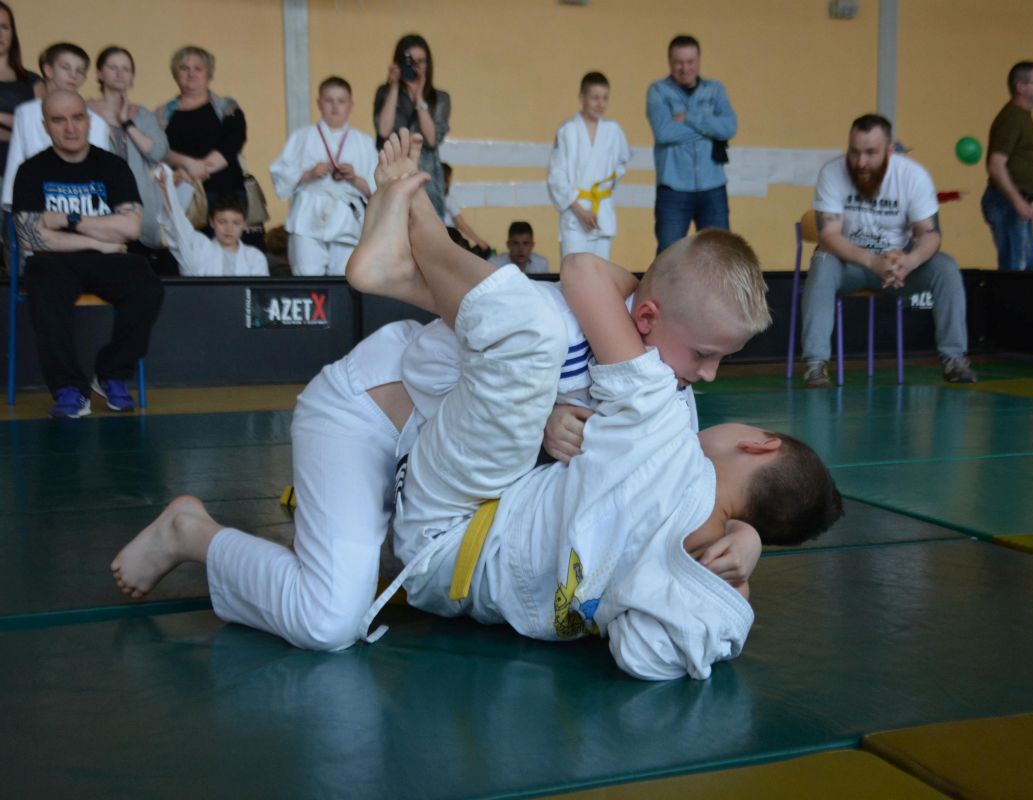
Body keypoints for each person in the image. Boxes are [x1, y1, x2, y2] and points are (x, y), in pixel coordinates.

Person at [111, 131, 842, 680]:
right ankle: (410, 236)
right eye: (704, 353)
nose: (707, 376)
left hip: (446, 486)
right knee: (530, 331)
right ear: (646, 317)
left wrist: (747, 538)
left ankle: (191, 532)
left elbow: (678, 511)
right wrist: (543, 412)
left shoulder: (669, 412)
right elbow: (577, 281)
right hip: (369, 418)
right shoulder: (573, 326)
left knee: (332, 621)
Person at [11, 90, 163, 417]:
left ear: (88, 121)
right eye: (59, 120)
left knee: (146, 283)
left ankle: (111, 373)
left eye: (77, 118)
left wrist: (65, 220)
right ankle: (69, 388)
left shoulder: (112, 166)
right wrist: (98, 241)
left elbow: (130, 228)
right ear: (45, 126)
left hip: (105, 260)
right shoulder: (31, 171)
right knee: (42, 280)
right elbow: (29, 236)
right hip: (55, 262)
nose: (70, 128)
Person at [800, 114, 976, 388]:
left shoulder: (914, 176)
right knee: (823, 261)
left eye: (871, 153)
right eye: (855, 152)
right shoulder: (832, 173)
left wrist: (909, 261)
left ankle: (954, 359)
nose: (861, 162)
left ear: (890, 151)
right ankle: (815, 365)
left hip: (899, 267)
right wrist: (871, 261)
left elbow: (930, 234)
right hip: (851, 264)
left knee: (946, 267)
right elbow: (829, 235)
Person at [269, 76, 376, 276]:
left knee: (344, 277)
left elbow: (377, 187)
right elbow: (280, 174)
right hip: (307, 215)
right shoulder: (302, 137)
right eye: (329, 100)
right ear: (319, 103)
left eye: (341, 101)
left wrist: (354, 178)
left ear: (350, 105)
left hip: (346, 217)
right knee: (308, 277)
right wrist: (308, 174)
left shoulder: (364, 142)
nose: (335, 107)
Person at [156, 45, 256, 244]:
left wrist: (196, 171)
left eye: (198, 68)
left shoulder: (227, 107)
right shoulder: (162, 115)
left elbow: (232, 143)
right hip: (184, 197)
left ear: (208, 74)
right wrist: (187, 164)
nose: (191, 74)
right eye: (184, 68)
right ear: (175, 74)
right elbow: (158, 149)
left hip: (227, 196)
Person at [646, 35, 737, 253]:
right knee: (669, 255)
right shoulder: (658, 91)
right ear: (669, 61)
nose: (685, 68)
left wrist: (689, 118)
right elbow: (664, 132)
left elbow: (729, 127)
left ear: (699, 61)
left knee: (720, 254)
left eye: (690, 61)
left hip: (713, 188)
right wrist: (709, 129)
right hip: (673, 190)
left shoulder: (715, 90)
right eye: (679, 62)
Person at [89, 46, 171, 267]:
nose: (120, 73)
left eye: (126, 69)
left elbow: (158, 152)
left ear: (132, 77)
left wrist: (126, 122)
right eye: (113, 67)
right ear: (99, 73)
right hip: (98, 206)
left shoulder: (143, 115)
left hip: (140, 206)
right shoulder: (85, 112)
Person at [2, 43, 110, 209]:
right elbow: (16, 159)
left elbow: (100, 170)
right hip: (33, 201)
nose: (73, 75)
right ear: (48, 70)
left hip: (81, 203)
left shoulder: (96, 122)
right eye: (66, 68)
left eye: (80, 71)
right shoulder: (26, 113)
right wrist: (10, 202)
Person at [548, 71, 632, 260]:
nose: (600, 104)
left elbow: (623, 162)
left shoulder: (613, 130)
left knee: (601, 271)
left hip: (602, 212)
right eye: (595, 98)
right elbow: (556, 176)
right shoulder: (567, 131)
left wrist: (609, 183)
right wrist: (579, 211)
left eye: (605, 98)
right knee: (574, 270)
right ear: (582, 98)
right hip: (574, 215)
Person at [982, 60, 1033, 271]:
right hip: (1006, 203)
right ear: (1021, 87)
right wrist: (1017, 201)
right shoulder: (1012, 118)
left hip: (1017, 202)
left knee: (1026, 266)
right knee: (1017, 268)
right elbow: (996, 165)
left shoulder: (1023, 118)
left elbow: (1021, 163)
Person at [373, 34, 449, 217]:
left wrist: (419, 97)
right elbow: (383, 130)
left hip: (428, 181)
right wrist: (394, 87)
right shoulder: (385, 93)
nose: (415, 67)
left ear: (428, 64)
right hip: (393, 177)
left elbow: (432, 140)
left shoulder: (440, 98)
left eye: (421, 62)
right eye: (410, 61)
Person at [157, 166, 268, 277]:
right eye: (222, 222)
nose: (229, 229)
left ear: (244, 224)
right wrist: (168, 191)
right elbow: (178, 227)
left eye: (236, 223)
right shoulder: (199, 248)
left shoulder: (255, 257)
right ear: (212, 222)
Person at [0, 1, 43, 212]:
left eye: (4, 27)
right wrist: (18, 130)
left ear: (13, 33)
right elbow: (27, 130)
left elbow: (42, 127)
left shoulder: (32, 81)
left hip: (22, 172)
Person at [440, 163, 490, 254]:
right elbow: (461, 224)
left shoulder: (426, 200)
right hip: (450, 236)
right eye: (450, 179)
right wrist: (479, 241)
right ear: (445, 181)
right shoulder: (448, 200)